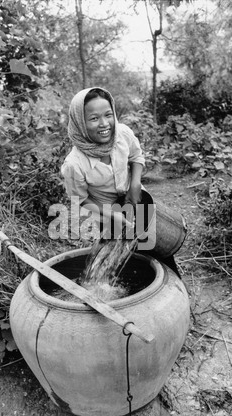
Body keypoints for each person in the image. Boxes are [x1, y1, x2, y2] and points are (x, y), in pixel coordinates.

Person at [61, 86, 182, 277]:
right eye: (94, 118)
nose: (104, 124)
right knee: (125, 264)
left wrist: (135, 183)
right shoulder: (74, 164)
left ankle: (177, 295)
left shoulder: (122, 134)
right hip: (108, 216)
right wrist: (113, 216)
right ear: (80, 123)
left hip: (137, 201)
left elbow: (136, 157)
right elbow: (81, 200)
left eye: (108, 115)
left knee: (160, 252)